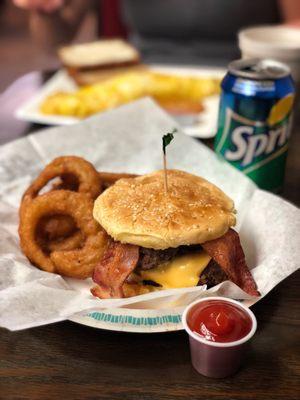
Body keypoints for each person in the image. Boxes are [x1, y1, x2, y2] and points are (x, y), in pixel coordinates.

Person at [12, 0, 300, 65]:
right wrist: (41, 8)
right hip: (136, 90)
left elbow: (294, 31)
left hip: (241, 94)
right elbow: (54, 42)